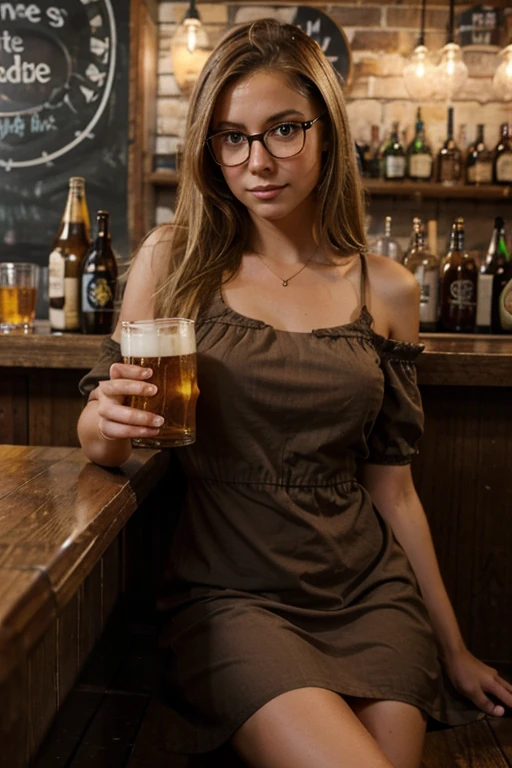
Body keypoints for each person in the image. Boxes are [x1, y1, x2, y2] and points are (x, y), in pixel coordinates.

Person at [77, 19, 512, 768]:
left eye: (283, 130)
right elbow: (101, 434)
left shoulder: (388, 287)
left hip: (370, 597)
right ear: (210, 149)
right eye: (231, 137)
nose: (258, 161)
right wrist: (108, 422)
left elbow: (395, 494)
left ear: (327, 132)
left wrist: (456, 648)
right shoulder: (170, 259)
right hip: (232, 597)